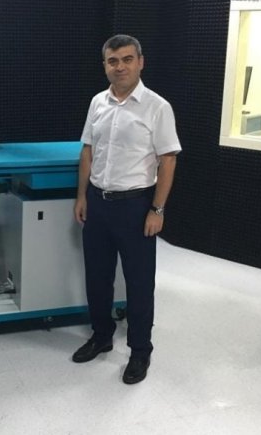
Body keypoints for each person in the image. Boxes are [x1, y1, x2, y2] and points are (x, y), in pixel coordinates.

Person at [73, 34, 181, 384]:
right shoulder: (97, 103)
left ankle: (139, 350)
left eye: (127, 59)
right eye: (113, 61)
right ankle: (102, 335)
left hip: (136, 206)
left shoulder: (157, 107)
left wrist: (157, 210)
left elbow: (167, 160)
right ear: (105, 65)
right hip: (98, 203)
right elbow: (88, 151)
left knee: (139, 283)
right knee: (97, 277)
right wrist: (82, 196)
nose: (120, 67)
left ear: (140, 62)